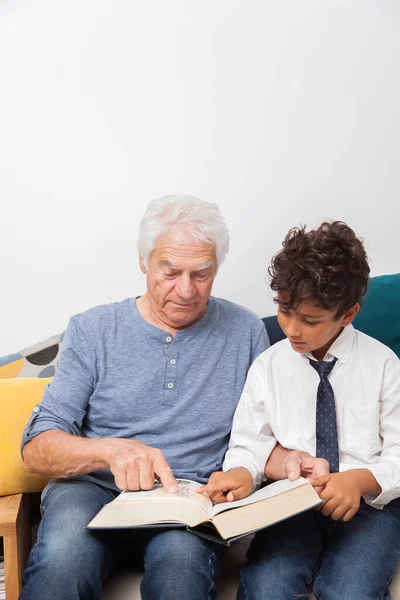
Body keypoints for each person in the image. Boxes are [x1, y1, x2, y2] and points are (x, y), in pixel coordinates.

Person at [19, 193, 274, 600]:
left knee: (181, 577)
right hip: (92, 490)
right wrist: (111, 452)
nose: (187, 290)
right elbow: (36, 449)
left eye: (202, 273)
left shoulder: (245, 332)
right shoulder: (92, 330)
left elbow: (266, 434)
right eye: (170, 271)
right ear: (144, 262)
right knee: (63, 564)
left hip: (188, 497)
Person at [199, 221, 400, 599]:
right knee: (266, 585)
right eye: (283, 310)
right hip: (290, 503)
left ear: (348, 313)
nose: (291, 329)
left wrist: (358, 480)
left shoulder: (385, 365)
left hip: (371, 506)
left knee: (351, 592)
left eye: (309, 320)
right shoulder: (268, 366)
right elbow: (248, 442)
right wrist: (242, 471)